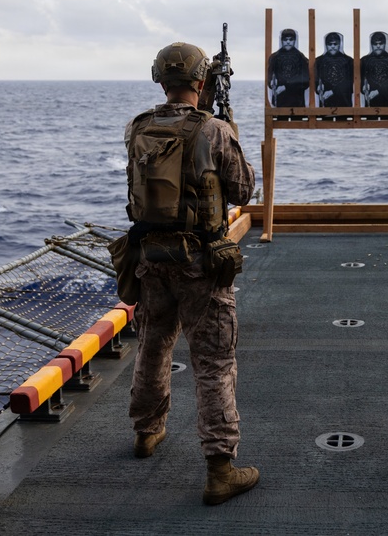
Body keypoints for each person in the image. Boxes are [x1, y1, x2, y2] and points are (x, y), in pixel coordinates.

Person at [124, 41, 258, 506]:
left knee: (153, 345)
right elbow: (243, 187)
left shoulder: (138, 127)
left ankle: (146, 432)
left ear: (160, 80)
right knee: (214, 362)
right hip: (201, 262)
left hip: (151, 258)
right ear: (202, 83)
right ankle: (220, 469)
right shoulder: (214, 130)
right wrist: (229, 127)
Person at [267, 28, 310, 107]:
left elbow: (305, 81)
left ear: (294, 41)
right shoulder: (274, 58)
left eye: (291, 39)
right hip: (279, 101)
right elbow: (269, 78)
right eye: (285, 39)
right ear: (281, 40)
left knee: (297, 119)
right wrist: (272, 83)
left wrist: (286, 87)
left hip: (297, 100)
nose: (288, 42)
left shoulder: (301, 58)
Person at [359, 31, 388, 107]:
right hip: (369, 104)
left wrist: (378, 91)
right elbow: (359, 80)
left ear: (385, 44)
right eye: (375, 44)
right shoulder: (364, 61)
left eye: (380, 43)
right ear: (371, 45)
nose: (378, 46)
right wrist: (363, 87)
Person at [315, 32, 354, 107]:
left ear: (339, 44)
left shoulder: (348, 61)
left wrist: (333, 91)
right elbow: (315, 79)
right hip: (325, 103)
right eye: (330, 44)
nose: (332, 46)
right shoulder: (319, 61)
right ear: (326, 45)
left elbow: (349, 83)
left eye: (335, 44)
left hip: (344, 103)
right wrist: (318, 87)